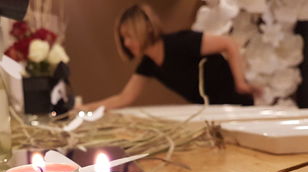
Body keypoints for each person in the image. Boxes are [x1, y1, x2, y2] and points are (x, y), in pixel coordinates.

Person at [77, 4, 262, 111]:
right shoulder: (149, 64)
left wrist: (241, 83)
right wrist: (83, 109)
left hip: (236, 106)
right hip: (214, 111)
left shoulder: (180, 42)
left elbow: (228, 43)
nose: (125, 43)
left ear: (145, 28)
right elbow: (124, 98)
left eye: (128, 36)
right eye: (123, 38)